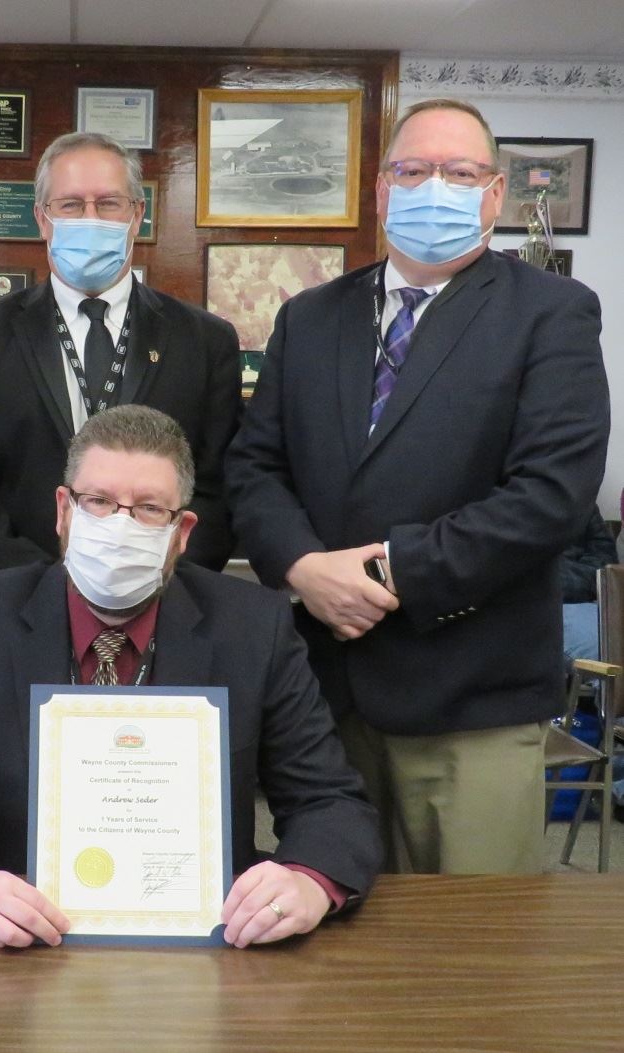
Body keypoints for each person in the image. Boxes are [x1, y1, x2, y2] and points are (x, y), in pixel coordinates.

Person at [225, 98, 610, 875]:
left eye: (459, 171)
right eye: (413, 169)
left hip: (469, 701)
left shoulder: (550, 313)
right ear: (380, 189)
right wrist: (302, 567)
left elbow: (549, 495)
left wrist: (381, 574)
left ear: (494, 194)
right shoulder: (309, 315)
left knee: (464, 966)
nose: (434, 186)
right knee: (328, 941)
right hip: (324, 699)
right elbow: (252, 468)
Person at [0, 404, 382, 949]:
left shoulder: (253, 627)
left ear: (182, 532)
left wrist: (307, 883)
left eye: (150, 509)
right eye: (98, 502)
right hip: (18, 942)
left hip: (214, 944)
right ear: (63, 510)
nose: (119, 527)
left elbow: (331, 803)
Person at [0, 131, 241, 579]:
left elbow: (218, 491)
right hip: (18, 602)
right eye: (70, 205)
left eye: (109, 203)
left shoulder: (206, 341)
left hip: (164, 604)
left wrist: (153, 581)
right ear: (41, 218)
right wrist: (46, 590)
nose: (90, 217)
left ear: (137, 216)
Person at [560, 504, 616, 670]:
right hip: (528, 607)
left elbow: (605, 563)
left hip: (587, 601)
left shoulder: (578, 494)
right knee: (606, 649)